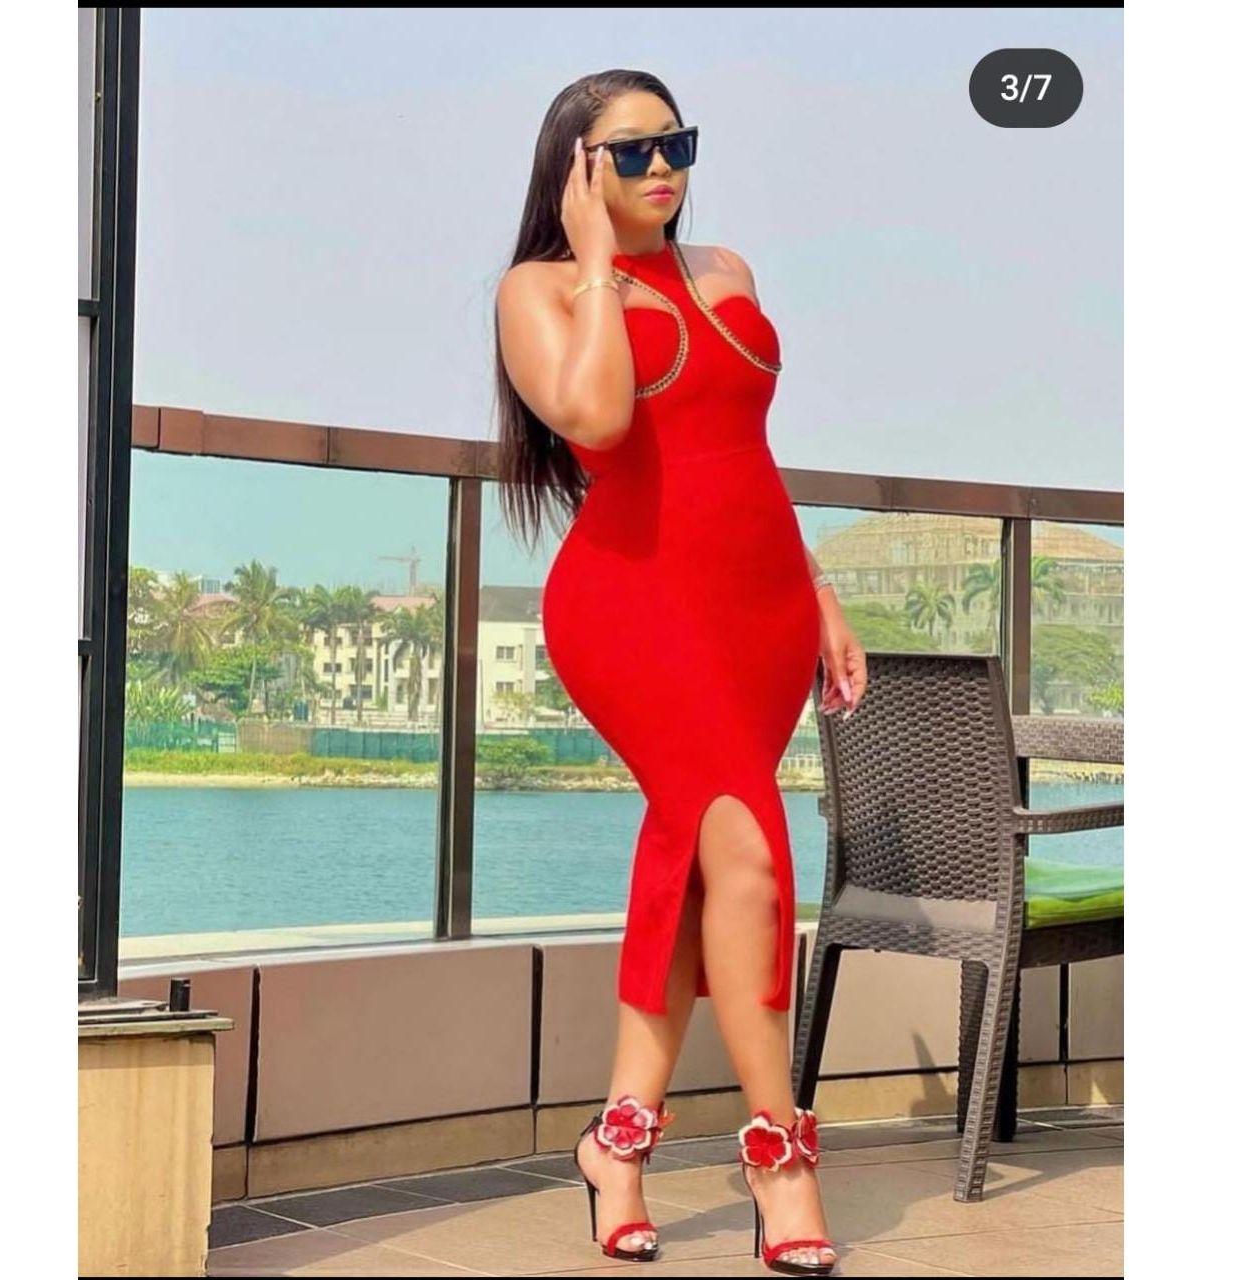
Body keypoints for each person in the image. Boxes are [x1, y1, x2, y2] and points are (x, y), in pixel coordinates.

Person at [494, 70, 866, 1276]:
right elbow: (598, 422)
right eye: (630, 151)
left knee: (698, 853)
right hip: (630, 608)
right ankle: (780, 1153)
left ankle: (617, 1142)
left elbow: (743, 451)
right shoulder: (539, 289)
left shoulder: (727, 269)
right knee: (746, 845)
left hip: (757, 608)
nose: (662, 167)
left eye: (676, 144)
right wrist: (601, 259)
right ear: (576, 166)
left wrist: (815, 592)